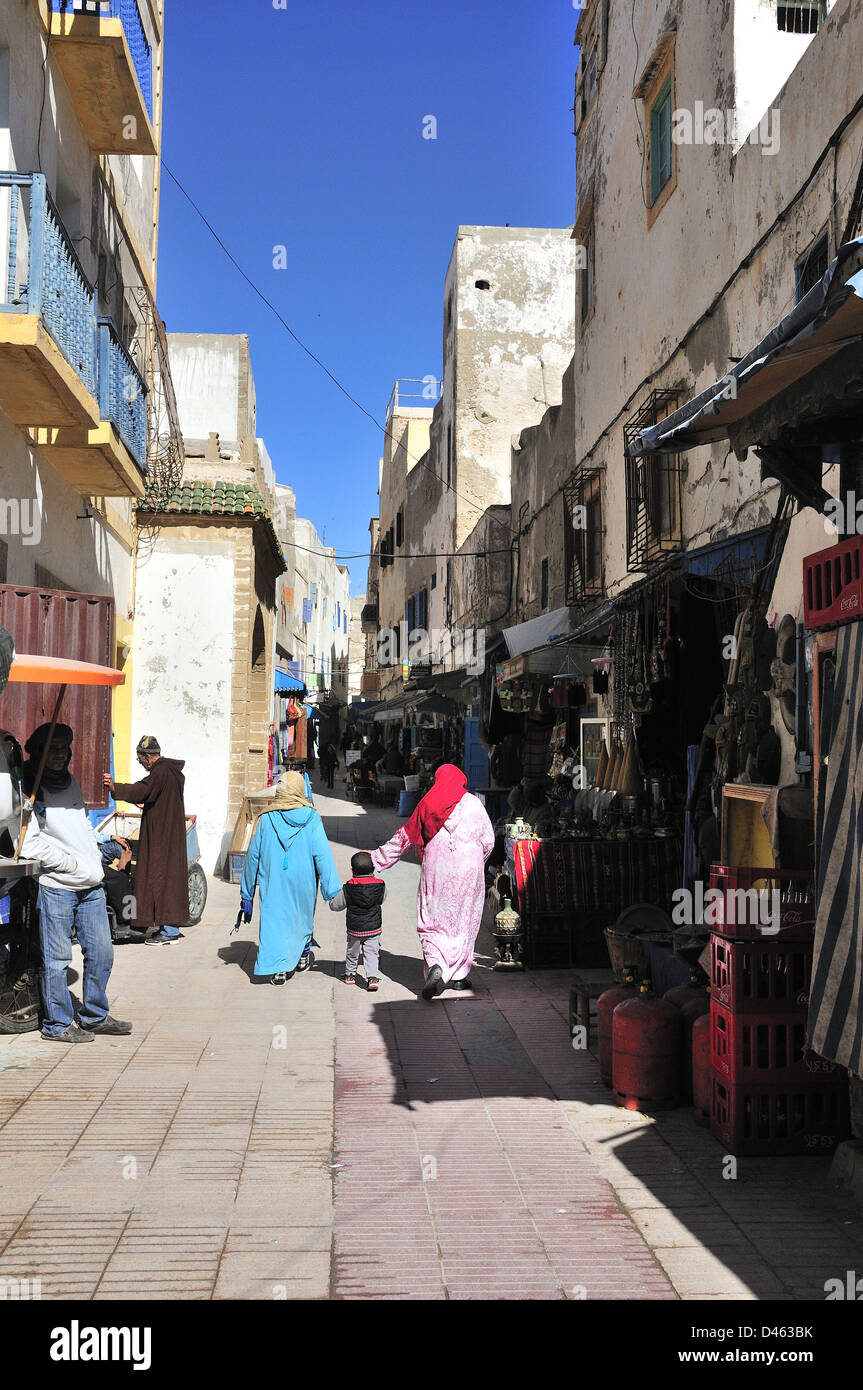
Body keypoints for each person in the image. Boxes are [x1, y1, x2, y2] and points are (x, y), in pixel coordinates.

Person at [22, 723, 131, 1042]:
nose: (59, 754)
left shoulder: (69, 782)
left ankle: (94, 1015)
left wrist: (93, 856)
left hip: (91, 886)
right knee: (57, 960)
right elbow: (28, 844)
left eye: (63, 748)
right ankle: (57, 1024)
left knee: (102, 952)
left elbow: (82, 825)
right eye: (51, 748)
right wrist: (70, 863)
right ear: (39, 752)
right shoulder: (30, 788)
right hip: (57, 887)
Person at [371, 763, 494, 1000]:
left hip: (437, 868)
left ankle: (437, 964)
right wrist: (476, 863)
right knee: (463, 919)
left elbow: (405, 837)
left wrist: (376, 859)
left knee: (432, 918)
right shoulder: (474, 804)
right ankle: (458, 976)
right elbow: (488, 840)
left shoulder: (428, 802)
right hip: (469, 867)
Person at [239, 771, 341, 984]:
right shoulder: (311, 817)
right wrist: (332, 891)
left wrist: (247, 893)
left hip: (273, 881)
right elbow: (322, 855)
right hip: (303, 882)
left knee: (274, 921)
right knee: (300, 919)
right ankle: (302, 956)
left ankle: (279, 969)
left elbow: (252, 857)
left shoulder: (266, 818)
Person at [103, 735, 189, 944]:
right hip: (169, 835)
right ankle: (165, 926)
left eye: (140, 759)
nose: (141, 763)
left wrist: (116, 788)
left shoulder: (160, 772)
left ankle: (169, 931)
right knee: (167, 879)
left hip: (161, 838)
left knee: (160, 879)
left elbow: (143, 789)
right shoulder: (170, 773)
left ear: (147, 757)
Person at [328, 850, 387, 991]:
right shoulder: (380, 885)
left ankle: (350, 975)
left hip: (354, 928)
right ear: (373, 869)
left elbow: (337, 905)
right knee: (372, 953)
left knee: (352, 952)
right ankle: (372, 978)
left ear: (352, 870)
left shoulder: (349, 887)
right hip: (374, 928)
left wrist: (331, 902)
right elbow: (382, 898)